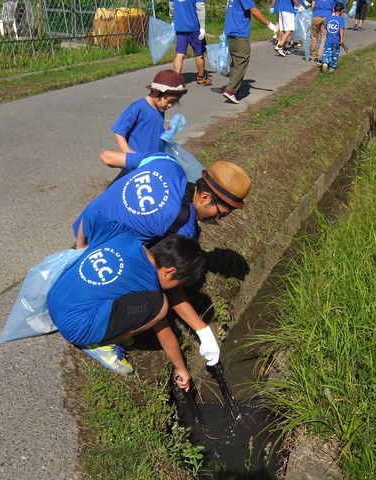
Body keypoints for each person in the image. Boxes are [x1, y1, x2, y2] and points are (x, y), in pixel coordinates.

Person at [72, 150, 252, 367]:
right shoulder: (182, 228)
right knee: (153, 287)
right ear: (205, 198)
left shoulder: (166, 162)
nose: (218, 220)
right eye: (221, 214)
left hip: (85, 227)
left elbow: (107, 157)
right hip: (100, 254)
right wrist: (202, 330)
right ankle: (101, 340)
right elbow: (168, 282)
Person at [48, 210, 205, 389]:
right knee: (161, 306)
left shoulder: (123, 234)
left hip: (54, 297)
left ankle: (106, 328)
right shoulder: (150, 286)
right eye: (179, 284)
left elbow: (90, 215)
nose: (176, 289)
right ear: (170, 271)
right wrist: (181, 369)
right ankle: (100, 344)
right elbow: (165, 334)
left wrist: (81, 246)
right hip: (75, 327)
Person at [112, 70, 187, 153]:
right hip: (138, 160)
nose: (170, 105)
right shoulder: (137, 108)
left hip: (154, 158)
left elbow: (151, 130)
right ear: (156, 92)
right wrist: (126, 150)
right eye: (169, 101)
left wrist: (165, 136)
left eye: (174, 102)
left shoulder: (160, 109)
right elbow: (119, 130)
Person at [222, 0, 279, 104]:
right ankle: (230, 90)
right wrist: (270, 24)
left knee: (235, 62)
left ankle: (235, 90)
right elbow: (254, 11)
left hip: (231, 31)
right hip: (240, 32)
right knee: (241, 62)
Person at [169, 0, 213, 86]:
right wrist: (202, 27)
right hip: (194, 27)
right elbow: (200, 9)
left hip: (180, 27)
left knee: (180, 53)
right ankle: (201, 77)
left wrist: (173, 20)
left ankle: (176, 79)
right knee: (199, 53)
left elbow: (171, 8)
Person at [321, 2, 345, 71]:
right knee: (335, 53)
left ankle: (325, 62)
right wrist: (341, 39)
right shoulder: (341, 19)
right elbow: (341, 30)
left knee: (327, 52)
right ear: (342, 11)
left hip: (328, 40)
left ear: (334, 10)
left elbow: (325, 28)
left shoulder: (329, 18)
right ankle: (332, 67)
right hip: (336, 41)